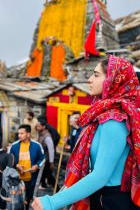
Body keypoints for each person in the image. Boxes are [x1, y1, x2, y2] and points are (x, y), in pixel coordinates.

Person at [32, 55, 140, 210]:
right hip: (103, 197)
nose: (89, 79)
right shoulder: (102, 117)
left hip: (111, 201)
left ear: (113, 80)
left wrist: (51, 202)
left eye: (96, 75)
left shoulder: (114, 121)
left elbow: (100, 176)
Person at [10, 124, 45, 209]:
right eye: (18, 133)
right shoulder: (14, 146)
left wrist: (37, 165)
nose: (19, 135)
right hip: (18, 180)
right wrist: (17, 165)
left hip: (31, 179)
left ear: (28, 134)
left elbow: (43, 159)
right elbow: (9, 160)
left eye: (22, 133)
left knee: (29, 198)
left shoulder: (37, 146)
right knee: (18, 200)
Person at [36, 119, 58, 191]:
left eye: (39, 126)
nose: (37, 128)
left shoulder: (47, 137)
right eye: (37, 126)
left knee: (48, 175)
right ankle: (44, 185)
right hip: (43, 159)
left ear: (44, 127)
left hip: (47, 160)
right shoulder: (41, 134)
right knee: (44, 174)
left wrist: (51, 162)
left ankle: (57, 189)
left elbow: (51, 149)